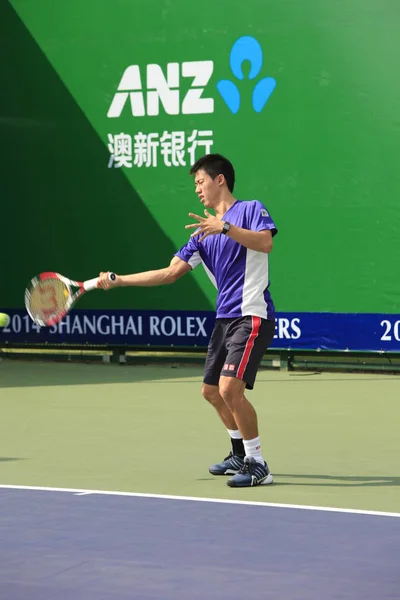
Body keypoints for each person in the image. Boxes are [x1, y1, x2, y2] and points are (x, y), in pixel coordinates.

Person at [98, 153, 278, 487]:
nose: (197, 189)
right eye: (195, 183)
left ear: (219, 179)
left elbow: (265, 243)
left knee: (229, 388)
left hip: (251, 314)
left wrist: (224, 226)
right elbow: (168, 274)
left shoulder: (251, 209)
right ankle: (239, 453)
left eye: (200, 181)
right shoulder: (201, 236)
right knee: (211, 391)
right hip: (224, 320)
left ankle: (258, 464)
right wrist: (120, 279)